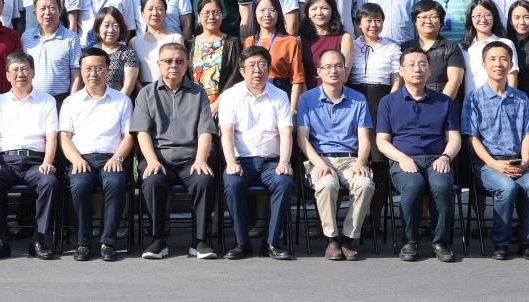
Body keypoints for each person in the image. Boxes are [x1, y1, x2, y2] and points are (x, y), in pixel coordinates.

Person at [131, 41, 219, 259]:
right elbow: (142, 132)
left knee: (204, 180)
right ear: (159, 64)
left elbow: (205, 131)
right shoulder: (146, 93)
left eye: (179, 62)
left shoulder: (198, 93)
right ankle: (157, 240)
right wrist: (152, 160)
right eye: (168, 61)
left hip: (190, 158)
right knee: (152, 181)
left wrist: (201, 160)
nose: (174, 66)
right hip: (158, 158)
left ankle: (199, 241)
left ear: (186, 65)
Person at [461, 40, 529, 260]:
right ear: (483, 65)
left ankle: (528, 242)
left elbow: (528, 133)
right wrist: (494, 164)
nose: (498, 64)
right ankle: (501, 243)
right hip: (487, 165)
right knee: (506, 187)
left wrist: (525, 161)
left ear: (511, 64)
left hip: (517, 162)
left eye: (503, 59)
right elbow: (472, 138)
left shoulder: (520, 97)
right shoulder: (474, 98)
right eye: (492, 59)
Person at [376, 49, 461, 263]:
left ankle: (440, 242)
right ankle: (409, 241)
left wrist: (446, 157)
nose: (417, 69)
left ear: (429, 71)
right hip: (404, 159)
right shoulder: (388, 102)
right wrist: (401, 158)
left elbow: (454, 137)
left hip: (436, 158)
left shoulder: (444, 101)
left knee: (442, 185)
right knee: (413, 185)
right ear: (401, 70)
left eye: (423, 64)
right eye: (411, 64)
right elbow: (382, 141)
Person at [0, 51, 61, 260]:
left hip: (35, 162)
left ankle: (38, 239)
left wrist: (47, 162)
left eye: (25, 69)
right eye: (15, 70)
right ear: (8, 75)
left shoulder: (47, 101)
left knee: (49, 182)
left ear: (33, 73)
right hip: (5, 161)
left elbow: (52, 137)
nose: (20, 74)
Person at [297, 48, 375, 261]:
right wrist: (319, 164)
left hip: (351, 159)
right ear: (319, 71)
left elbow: (365, 139)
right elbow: (302, 139)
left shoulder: (358, 99)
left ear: (345, 70)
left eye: (338, 66)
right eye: (328, 67)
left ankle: (348, 238)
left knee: (365, 184)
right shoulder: (306, 99)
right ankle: (331, 239)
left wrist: (361, 162)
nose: (334, 71)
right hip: (320, 158)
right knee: (327, 184)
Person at [219, 45, 296, 260]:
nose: (257, 70)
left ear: (269, 69)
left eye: (262, 65)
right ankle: (241, 243)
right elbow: (227, 132)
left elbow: (286, 132)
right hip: (241, 161)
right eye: (251, 65)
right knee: (232, 184)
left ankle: (271, 243)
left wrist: (284, 162)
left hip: (271, 162)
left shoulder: (280, 96)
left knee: (284, 182)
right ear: (242, 70)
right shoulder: (230, 96)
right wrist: (231, 162)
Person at [59, 46, 134, 262]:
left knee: (115, 183)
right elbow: (65, 137)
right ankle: (83, 243)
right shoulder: (71, 102)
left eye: (99, 68)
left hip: (112, 158)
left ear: (108, 69)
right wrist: (76, 160)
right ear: (81, 71)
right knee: (79, 184)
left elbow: (129, 136)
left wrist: (117, 157)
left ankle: (108, 242)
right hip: (80, 158)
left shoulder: (122, 100)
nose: (93, 73)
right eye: (88, 68)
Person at [20, 0, 83, 104]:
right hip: (32, 99)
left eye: (52, 7)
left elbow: (76, 73)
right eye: (42, 8)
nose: (47, 12)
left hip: (60, 100)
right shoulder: (26, 37)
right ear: (35, 13)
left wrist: (72, 102)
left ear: (60, 11)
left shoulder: (71, 38)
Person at [244, 0, 305, 107]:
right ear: (255, 13)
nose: (267, 14)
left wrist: (292, 109)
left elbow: (297, 80)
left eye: (272, 10)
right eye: (262, 10)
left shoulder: (290, 41)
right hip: (252, 97)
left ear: (279, 14)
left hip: (280, 96)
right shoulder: (248, 42)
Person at [185, 0, 241, 115]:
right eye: (206, 13)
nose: (211, 17)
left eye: (216, 12)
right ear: (199, 16)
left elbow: (235, 75)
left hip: (224, 107)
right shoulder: (189, 44)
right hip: (194, 106)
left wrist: (218, 104)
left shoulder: (232, 43)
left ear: (221, 15)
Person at [402, 1, 465, 99]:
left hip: (441, 104)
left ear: (441, 21)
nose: (428, 21)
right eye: (423, 17)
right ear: (415, 21)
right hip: (410, 104)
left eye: (434, 17)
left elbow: (455, 80)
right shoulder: (405, 47)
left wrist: (441, 105)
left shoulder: (451, 47)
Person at [460, 0, 519, 96]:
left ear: (494, 17)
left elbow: (512, 78)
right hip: (472, 102)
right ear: (470, 18)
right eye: (478, 16)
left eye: (488, 15)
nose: (483, 20)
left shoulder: (506, 43)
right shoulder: (463, 48)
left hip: (501, 101)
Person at [349, 3, 401, 111]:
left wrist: (391, 100)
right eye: (369, 20)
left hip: (382, 97)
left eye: (378, 20)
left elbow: (396, 77)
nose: (373, 25)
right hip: (354, 98)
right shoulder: (351, 46)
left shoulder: (392, 47)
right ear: (359, 23)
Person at [298, 0, 353, 88]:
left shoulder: (344, 38)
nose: (319, 13)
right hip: (306, 92)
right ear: (308, 13)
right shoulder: (299, 39)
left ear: (332, 11)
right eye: (314, 9)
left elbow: (344, 77)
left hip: (334, 91)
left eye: (324, 8)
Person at [129, 0, 185, 84]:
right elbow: (132, 74)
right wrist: (144, 91)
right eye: (150, 9)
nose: (154, 13)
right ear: (142, 13)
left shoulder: (175, 39)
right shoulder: (134, 42)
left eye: (159, 9)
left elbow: (181, 68)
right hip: (142, 90)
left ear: (165, 13)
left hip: (170, 88)